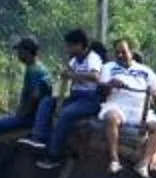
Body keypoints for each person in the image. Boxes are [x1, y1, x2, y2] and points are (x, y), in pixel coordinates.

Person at [38, 28, 109, 167]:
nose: (68, 48)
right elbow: (68, 74)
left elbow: (95, 76)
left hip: (90, 98)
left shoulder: (93, 58)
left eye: (70, 45)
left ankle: (54, 155)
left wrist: (73, 76)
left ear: (80, 45)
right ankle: (39, 138)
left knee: (66, 114)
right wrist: (63, 76)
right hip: (75, 94)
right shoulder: (74, 60)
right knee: (47, 101)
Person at [98, 37, 156, 173]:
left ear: (131, 52)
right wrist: (112, 84)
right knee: (111, 118)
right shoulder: (109, 67)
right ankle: (114, 160)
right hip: (117, 105)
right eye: (117, 52)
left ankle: (143, 164)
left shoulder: (144, 70)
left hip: (139, 111)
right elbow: (102, 88)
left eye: (123, 52)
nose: (120, 55)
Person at [0, 36, 48, 157]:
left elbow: (35, 96)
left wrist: (22, 113)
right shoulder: (42, 68)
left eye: (20, 51)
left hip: (29, 118)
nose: (18, 54)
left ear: (27, 52)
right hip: (35, 115)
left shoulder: (33, 71)